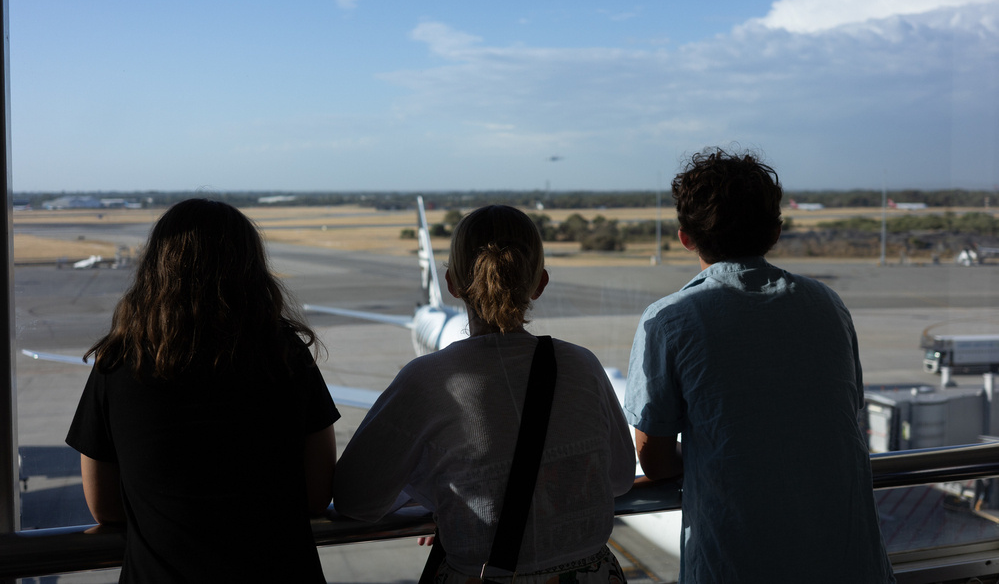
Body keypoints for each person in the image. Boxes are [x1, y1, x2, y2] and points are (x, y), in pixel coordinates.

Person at [623, 150, 895, 583]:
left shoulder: (669, 320)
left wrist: (719, 454)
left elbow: (652, 459)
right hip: (849, 564)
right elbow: (841, 414)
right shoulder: (827, 305)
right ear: (776, 231)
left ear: (685, 238)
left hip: (738, 564)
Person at [334, 204, 635, 583]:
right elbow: (621, 478)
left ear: (452, 284)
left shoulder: (429, 378)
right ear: (540, 283)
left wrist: (444, 488)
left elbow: (356, 500)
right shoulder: (583, 365)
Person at [66, 199, 339, 583]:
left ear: (156, 269)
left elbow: (104, 508)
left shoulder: (118, 364)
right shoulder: (286, 356)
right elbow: (317, 493)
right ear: (251, 269)